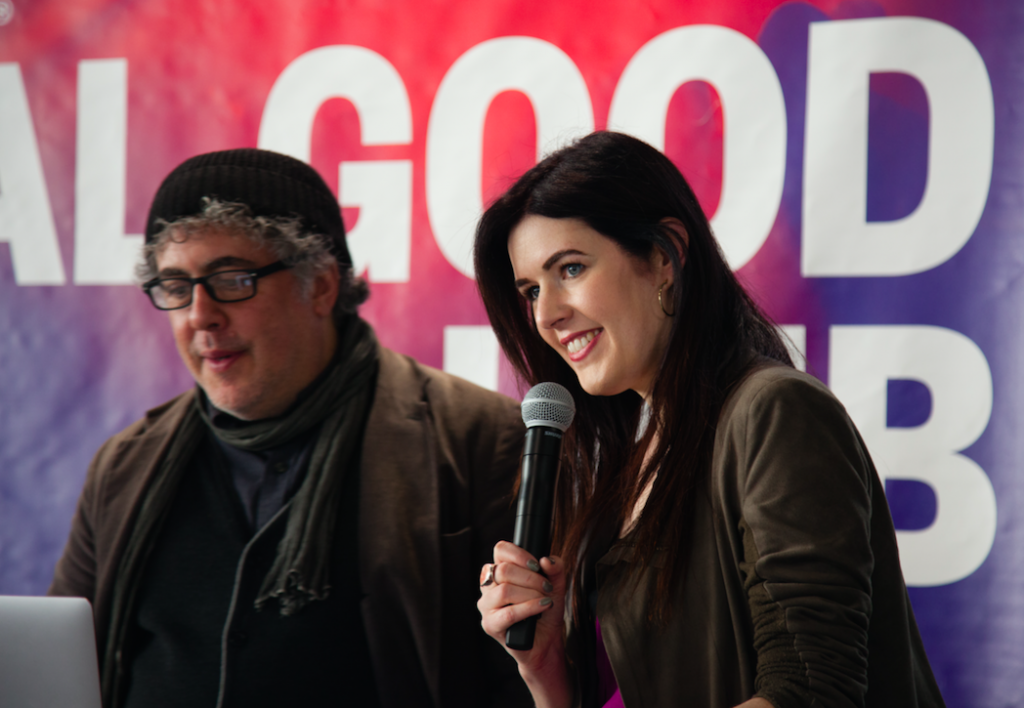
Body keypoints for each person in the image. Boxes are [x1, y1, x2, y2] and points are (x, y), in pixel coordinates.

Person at [473, 131, 946, 708]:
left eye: (570, 269)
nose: (547, 314)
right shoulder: (631, 455)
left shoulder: (775, 413)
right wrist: (547, 670)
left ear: (664, 256)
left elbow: (813, 692)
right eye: (530, 290)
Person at [49, 148, 531, 708]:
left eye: (232, 279)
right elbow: (62, 668)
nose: (200, 315)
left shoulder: (479, 439)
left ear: (322, 285)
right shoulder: (125, 466)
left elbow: (523, 680)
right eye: (176, 286)